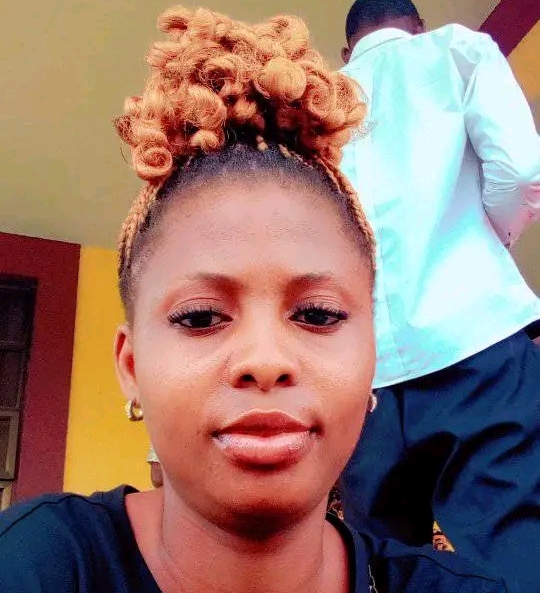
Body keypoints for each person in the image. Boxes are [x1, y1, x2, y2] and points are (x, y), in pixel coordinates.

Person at [0, 6, 515, 593]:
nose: (265, 360)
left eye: (318, 314)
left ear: (372, 355)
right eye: (200, 316)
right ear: (132, 365)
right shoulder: (35, 565)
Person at [337, 1, 540, 591]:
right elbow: (522, 171)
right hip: (476, 339)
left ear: (348, 50)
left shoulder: (320, 100)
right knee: (514, 552)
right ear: (415, 28)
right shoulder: (456, 51)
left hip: (363, 376)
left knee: (382, 567)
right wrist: (486, 242)